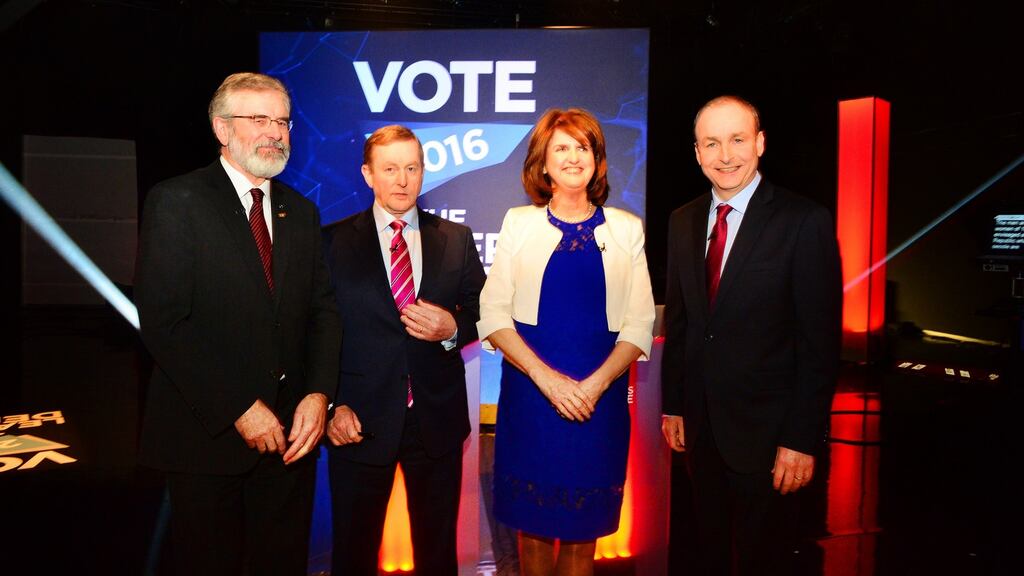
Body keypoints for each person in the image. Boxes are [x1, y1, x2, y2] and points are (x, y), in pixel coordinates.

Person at [135, 72, 340, 575]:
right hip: (206, 444)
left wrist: (319, 395)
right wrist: (238, 408)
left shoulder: (303, 212)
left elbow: (323, 313)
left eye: (283, 121)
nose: (275, 132)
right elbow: (165, 322)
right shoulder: (176, 201)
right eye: (259, 119)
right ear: (221, 129)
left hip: (290, 447)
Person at [660, 95, 843, 575]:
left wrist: (802, 438)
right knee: (709, 555)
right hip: (701, 433)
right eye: (712, 143)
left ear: (760, 143)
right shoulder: (682, 221)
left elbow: (819, 343)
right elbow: (681, 324)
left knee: (767, 562)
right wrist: (674, 404)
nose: (726, 155)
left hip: (771, 441)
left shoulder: (804, 222)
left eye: (738, 140)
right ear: (697, 152)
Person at [477, 108, 656, 576]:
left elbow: (638, 325)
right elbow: (493, 314)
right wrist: (548, 381)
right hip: (532, 400)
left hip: (600, 404)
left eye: (584, 147)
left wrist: (593, 387)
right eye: (562, 147)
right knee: (532, 533)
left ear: (597, 162)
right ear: (542, 163)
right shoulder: (518, 222)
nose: (573, 157)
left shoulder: (626, 229)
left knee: (583, 536)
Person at [322, 124, 486, 576]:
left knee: (437, 555)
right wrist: (331, 404)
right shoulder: (331, 242)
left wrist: (453, 327)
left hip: (434, 422)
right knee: (353, 554)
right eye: (390, 168)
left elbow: (484, 312)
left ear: (423, 171)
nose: (402, 179)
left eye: (411, 168)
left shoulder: (455, 237)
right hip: (356, 421)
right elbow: (315, 332)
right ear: (367, 174)